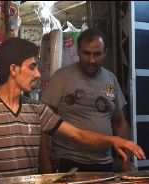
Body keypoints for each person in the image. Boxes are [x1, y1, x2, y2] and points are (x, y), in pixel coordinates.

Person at [0, 37, 145, 181]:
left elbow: (77, 134)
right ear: (14, 69)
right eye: (32, 67)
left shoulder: (36, 109)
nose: (38, 74)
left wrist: (114, 140)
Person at [39, 28, 132, 173]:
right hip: (68, 162)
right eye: (86, 53)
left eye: (97, 54)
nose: (91, 60)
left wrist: (126, 162)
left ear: (105, 53)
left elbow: (119, 122)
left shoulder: (111, 79)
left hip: (105, 164)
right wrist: (45, 164)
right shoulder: (61, 77)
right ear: (78, 51)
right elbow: (43, 123)